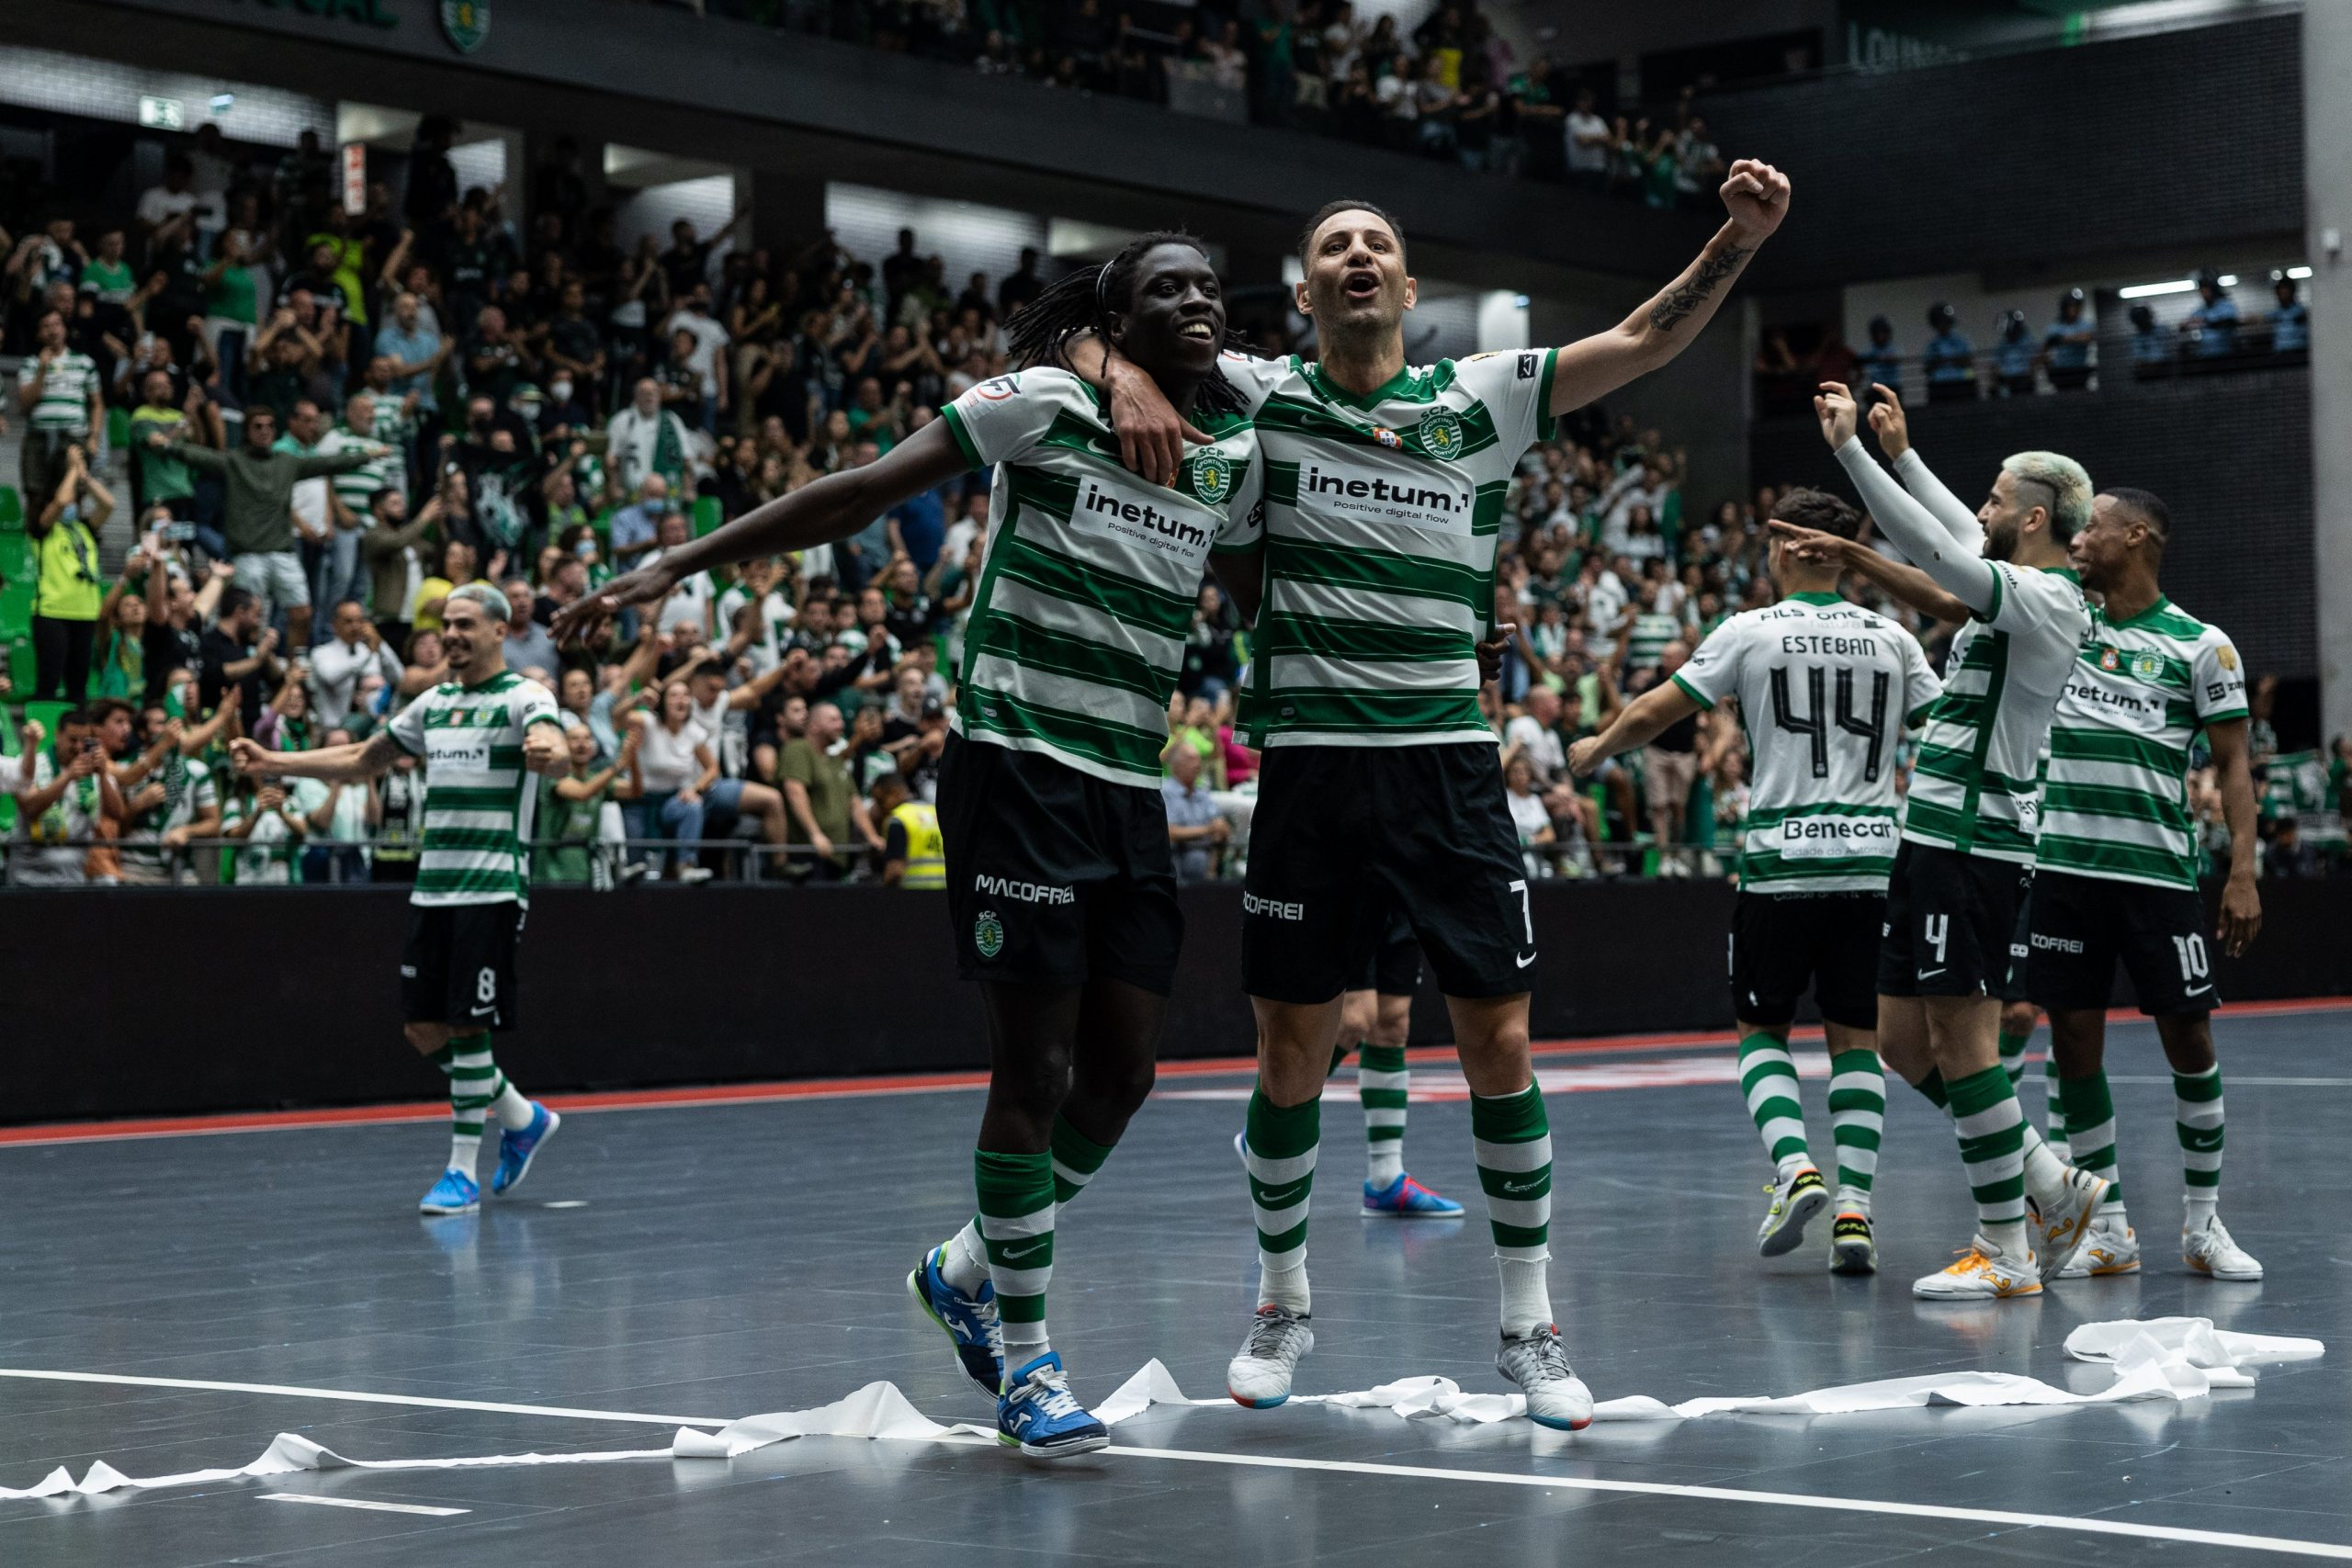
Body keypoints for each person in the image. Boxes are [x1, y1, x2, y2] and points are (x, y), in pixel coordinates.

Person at [1090, 164, 1788, 1427]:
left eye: (1377, 244)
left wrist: (1736, 239)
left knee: (1497, 1043)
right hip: (1310, 770)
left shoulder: (1482, 397)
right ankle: (1282, 1303)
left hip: (1450, 770)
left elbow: (1644, 338)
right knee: (1291, 1051)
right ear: (1305, 294)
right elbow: (1084, 332)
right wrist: (1126, 375)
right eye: (1333, 246)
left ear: (1409, 289)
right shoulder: (1257, 392)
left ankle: (1529, 1325)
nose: (1357, 255)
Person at [557, 232, 1270, 1459]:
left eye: (1209, 286)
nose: (1197, 301)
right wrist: (676, 562)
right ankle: (1029, 1363)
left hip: (1128, 783)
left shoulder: (1236, 444)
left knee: (1122, 1076)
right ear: (1117, 316)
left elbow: (1280, 546)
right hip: (1015, 767)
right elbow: (860, 489)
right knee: (1033, 1073)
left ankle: (964, 1268)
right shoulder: (1041, 403)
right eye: (1167, 288)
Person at [1769, 381, 2107, 1301]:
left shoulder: (2047, 600)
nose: (1981, 508)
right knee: (1899, 1040)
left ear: (2033, 519)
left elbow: (1938, 553)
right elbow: (1959, 531)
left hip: (1975, 841)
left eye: (1996, 498)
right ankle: (2048, 1178)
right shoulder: (2020, 578)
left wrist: (1850, 464)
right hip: (1931, 837)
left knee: (1963, 1045)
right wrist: (1901, 454)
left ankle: (2006, 1246)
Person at [1572, 487, 1942, 1274]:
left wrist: (1597, 748)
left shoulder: (1750, 630)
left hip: (1781, 864)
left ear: (1791, 546)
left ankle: (1796, 1167)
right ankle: (1855, 1210)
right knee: (1856, 1038)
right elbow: (1942, 737)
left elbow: (1658, 710)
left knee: (1761, 1029)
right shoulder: (1894, 637)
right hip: (1872, 862)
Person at [228, 585, 571, 1215]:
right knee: (422, 1028)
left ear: (499, 631)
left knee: (468, 1027)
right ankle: (521, 1117)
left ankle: (461, 1172)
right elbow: (363, 758)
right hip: (432, 890)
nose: (453, 634)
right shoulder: (433, 705)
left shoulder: (524, 696)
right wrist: (272, 759)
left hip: (491, 888)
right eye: (447, 624)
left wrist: (552, 753)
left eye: (466, 624)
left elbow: (555, 744)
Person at [2022, 486, 2266, 1282]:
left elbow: (2233, 764)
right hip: (2063, 871)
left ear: (2135, 536)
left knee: (2189, 1037)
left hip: (2157, 876)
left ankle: (2202, 1223)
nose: (2076, 538)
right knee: (2073, 1040)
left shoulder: (2203, 645)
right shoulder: (2066, 621)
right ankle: (2108, 1228)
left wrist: (2242, 870)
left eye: (2090, 526)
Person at [150, 406, 387, 650]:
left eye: (270, 426)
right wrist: (168, 446)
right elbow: (199, 456)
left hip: (283, 552)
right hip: (248, 554)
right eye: (258, 426)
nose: (264, 431)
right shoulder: (235, 461)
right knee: (246, 618)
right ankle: (252, 659)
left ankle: (294, 662)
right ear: (247, 431)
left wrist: (367, 456)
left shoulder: (286, 462)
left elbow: (328, 463)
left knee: (303, 613)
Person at [28, 444, 114, 702]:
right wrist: (73, 469)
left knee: (78, 688)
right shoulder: (43, 528)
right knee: (49, 682)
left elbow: (108, 504)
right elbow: (61, 501)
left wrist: (84, 476)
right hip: (52, 613)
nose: (73, 502)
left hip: (85, 612)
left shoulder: (84, 528)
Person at [15, 307, 104, 520]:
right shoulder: (30, 364)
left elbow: (97, 403)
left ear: (65, 328)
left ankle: (71, 539)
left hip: (74, 437)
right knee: (35, 496)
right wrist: (42, 369)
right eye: (46, 326)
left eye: (56, 324)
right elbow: (25, 403)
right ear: (39, 333)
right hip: (39, 436)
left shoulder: (84, 362)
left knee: (74, 495)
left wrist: (93, 437)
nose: (52, 330)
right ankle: (34, 538)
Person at [872, 771, 944, 887]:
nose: (879, 808)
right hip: (943, 891)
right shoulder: (934, 813)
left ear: (895, 793)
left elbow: (895, 871)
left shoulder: (898, 820)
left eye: (880, 801)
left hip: (912, 892)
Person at [1922, 301, 1975, 404]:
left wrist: (1945, 360)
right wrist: (1949, 360)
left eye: (1945, 322)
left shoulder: (1961, 341)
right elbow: (1927, 367)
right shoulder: (1932, 345)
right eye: (1940, 322)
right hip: (1939, 385)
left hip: (1961, 383)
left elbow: (1969, 362)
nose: (1943, 325)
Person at [2043, 288, 2095, 389]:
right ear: (2064, 307)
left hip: (2079, 371)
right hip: (2060, 372)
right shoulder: (2055, 327)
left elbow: (2087, 337)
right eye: (2071, 305)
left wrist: (2063, 339)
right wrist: (2048, 366)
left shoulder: (2085, 325)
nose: (2075, 308)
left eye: (2077, 305)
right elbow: (2045, 348)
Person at [2181, 270, 2238, 359]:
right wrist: (2186, 324)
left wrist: (2204, 321)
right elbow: (2187, 324)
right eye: (2201, 291)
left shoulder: (2225, 305)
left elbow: (2228, 321)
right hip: (2206, 355)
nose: (2203, 294)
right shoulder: (2201, 310)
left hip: (2225, 354)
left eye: (2205, 291)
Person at [2267, 275, 2309, 355]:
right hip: (2281, 354)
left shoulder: (2300, 312)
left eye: (2285, 290)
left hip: (2298, 353)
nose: (2283, 293)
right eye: (2280, 291)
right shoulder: (2277, 312)